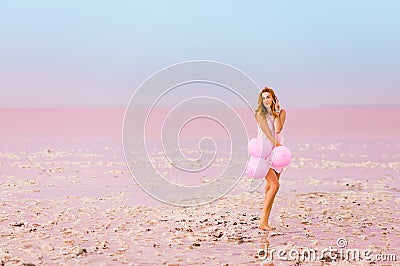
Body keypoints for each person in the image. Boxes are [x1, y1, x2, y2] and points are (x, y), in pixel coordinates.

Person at [254, 87, 287, 231]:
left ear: (273, 98)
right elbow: (268, 134)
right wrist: (277, 144)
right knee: (275, 186)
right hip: (263, 153)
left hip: (278, 155)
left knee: (269, 187)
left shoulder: (281, 113)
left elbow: (278, 129)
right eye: (264, 98)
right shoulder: (259, 114)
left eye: (268, 97)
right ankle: (263, 222)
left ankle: (265, 221)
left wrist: (276, 114)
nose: (266, 100)